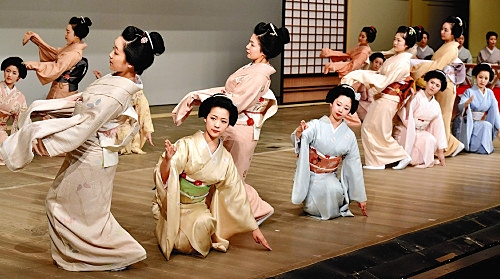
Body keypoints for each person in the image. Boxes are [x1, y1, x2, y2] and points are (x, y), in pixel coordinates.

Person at [0, 26, 165, 271]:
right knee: (73, 209)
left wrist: (47, 141)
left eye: (116, 51)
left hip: (93, 156)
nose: (110, 54)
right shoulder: (115, 80)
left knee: (73, 210)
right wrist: (49, 108)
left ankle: (117, 254)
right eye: (113, 48)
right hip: (87, 152)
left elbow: (85, 124)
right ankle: (82, 255)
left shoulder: (119, 92)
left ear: (131, 63)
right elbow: (83, 106)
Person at [172, 22, 290, 225]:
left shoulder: (260, 75)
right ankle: (220, 215)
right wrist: (201, 95)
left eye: (252, 43)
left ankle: (258, 209)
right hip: (234, 128)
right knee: (223, 173)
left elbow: (236, 102)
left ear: (263, 50)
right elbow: (230, 94)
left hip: (241, 131)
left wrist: (206, 97)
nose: (247, 46)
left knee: (231, 177)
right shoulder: (253, 68)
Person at [153, 94, 271, 260]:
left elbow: (237, 194)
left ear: (228, 124)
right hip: (174, 204)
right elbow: (165, 176)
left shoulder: (225, 158)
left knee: (204, 224)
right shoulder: (187, 144)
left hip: (197, 206)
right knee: (177, 242)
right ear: (205, 118)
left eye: (223, 121)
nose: (217, 124)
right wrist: (167, 160)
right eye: (213, 118)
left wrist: (254, 229)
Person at [342, 26, 417, 170]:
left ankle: (400, 155)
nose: (395, 42)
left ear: (406, 44)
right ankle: (379, 161)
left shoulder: (402, 62)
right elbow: (380, 76)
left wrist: (361, 76)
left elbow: (383, 81)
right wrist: (361, 76)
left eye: (399, 40)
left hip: (389, 98)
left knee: (378, 130)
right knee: (372, 128)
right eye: (395, 39)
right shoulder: (396, 58)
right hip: (384, 97)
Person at [290, 85, 367, 220]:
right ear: (331, 103)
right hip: (312, 177)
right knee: (315, 205)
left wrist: (360, 197)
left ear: (349, 112)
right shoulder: (315, 125)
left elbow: (354, 165)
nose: (341, 110)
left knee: (334, 190)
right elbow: (304, 136)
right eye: (338, 104)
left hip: (330, 177)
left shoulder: (349, 135)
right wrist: (300, 132)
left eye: (346, 108)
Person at [411, 16, 466, 157]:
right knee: (438, 117)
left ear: (453, 33)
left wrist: (417, 69)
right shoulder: (446, 45)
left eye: (446, 30)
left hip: (446, 87)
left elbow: (437, 65)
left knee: (443, 117)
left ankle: (447, 148)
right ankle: (453, 144)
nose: (442, 32)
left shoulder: (452, 48)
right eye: (442, 29)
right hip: (441, 83)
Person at [22, 16, 92, 99]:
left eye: (68, 32)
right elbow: (56, 54)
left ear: (76, 35)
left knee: (54, 110)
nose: (65, 34)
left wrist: (33, 65)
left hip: (62, 89)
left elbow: (56, 67)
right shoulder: (72, 47)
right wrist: (36, 40)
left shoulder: (74, 53)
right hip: (60, 86)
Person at [393, 70, 447, 168]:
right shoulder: (416, 97)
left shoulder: (436, 105)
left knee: (431, 140)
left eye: (437, 85)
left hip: (421, 131)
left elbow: (439, 128)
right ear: (426, 82)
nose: (433, 86)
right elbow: (405, 114)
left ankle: (419, 160)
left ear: (439, 89)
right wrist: (409, 102)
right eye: (432, 82)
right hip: (407, 129)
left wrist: (440, 152)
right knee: (411, 144)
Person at [454, 63, 500, 154]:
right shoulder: (469, 91)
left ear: (489, 80)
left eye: (486, 78)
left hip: (479, 121)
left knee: (487, 125)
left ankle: (483, 148)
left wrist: (499, 128)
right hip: (467, 122)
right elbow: (460, 106)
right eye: (480, 77)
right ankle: (474, 147)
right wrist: (466, 103)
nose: (482, 81)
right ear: (476, 77)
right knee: (485, 125)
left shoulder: (490, 93)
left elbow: (495, 111)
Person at [0, 57, 28, 165]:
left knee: (7, 154)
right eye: (8, 71)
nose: (9, 75)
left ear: (18, 77)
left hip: (0, 130)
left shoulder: (20, 97)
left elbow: (22, 119)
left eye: (14, 73)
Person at [355, 52, 386, 121]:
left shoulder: (381, 76)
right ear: (372, 61)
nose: (377, 65)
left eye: (380, 64)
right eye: (376, 62)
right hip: (363, 100)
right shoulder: (365, 73)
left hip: (375, 100)